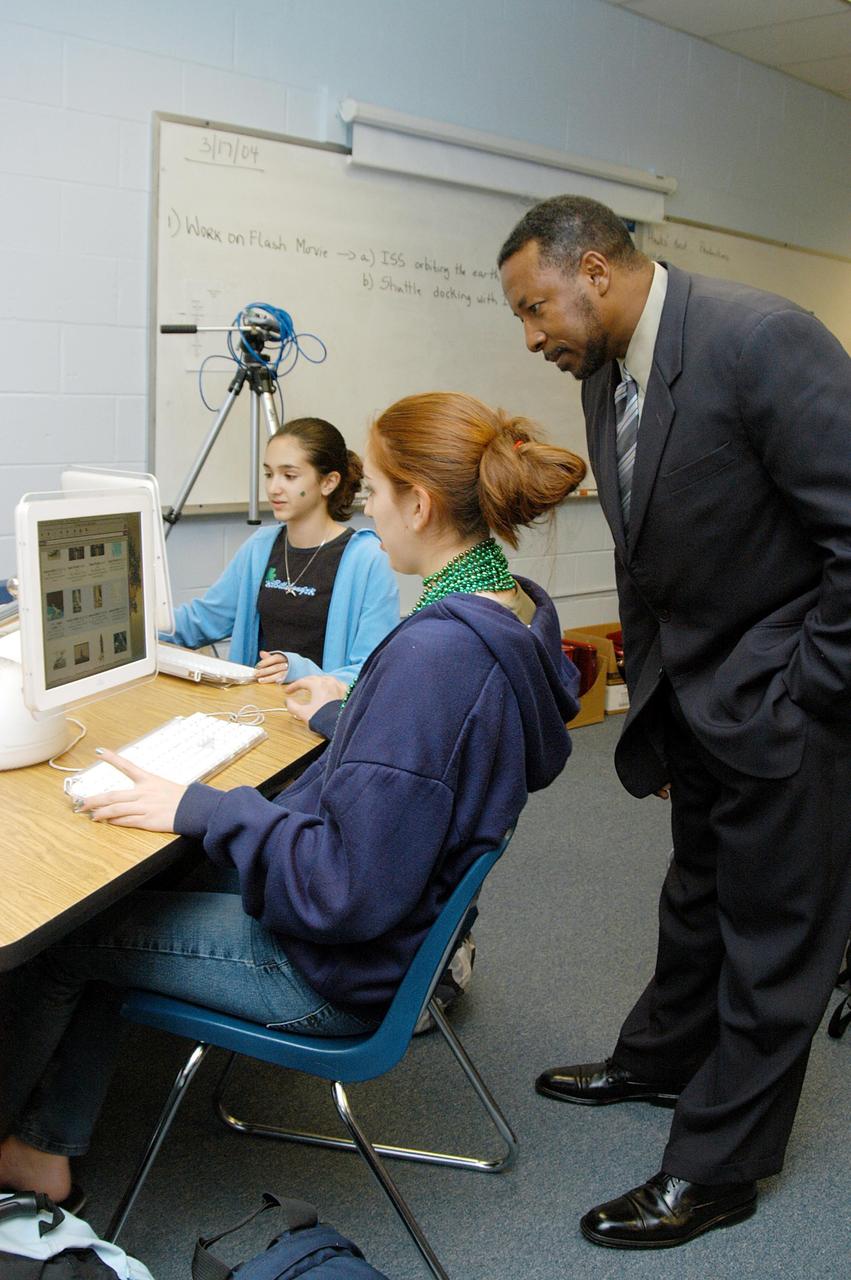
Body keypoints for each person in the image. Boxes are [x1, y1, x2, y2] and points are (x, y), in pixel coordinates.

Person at [0, 391, 585, 1208]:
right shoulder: (504, 614)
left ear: (418, 502)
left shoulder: (432, 659)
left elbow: (339, 888)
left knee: (70, 937)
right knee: (149, 885)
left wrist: (201, 807)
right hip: (389, 933)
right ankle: (44, 1142)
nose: (369, 516)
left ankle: (32, 1150)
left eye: (374, 493)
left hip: (327, 968)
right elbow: (419, 771)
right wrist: (351, 719)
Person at [498, 194, 851, 1249]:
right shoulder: (608, 367)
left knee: (772, 938)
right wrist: (652, 704)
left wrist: (802, 695)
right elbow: (640, 548)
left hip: (785, 702)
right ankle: (657, 1057)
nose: (531, 338)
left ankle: (718, 1166)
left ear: (594, 270)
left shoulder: (761, 338)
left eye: (534, 308)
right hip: (695, 696)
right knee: (695, 893)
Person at [160, 416, 399, 686]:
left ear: (328, 482)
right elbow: (203, 619)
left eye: (289, 476)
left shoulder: (368, 559)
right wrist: (140, 624)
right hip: (255, 707)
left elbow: (371, 673)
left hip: (320, 717)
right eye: (269, 474)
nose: (274, 487)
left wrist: (297, 668)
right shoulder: (260, 546)